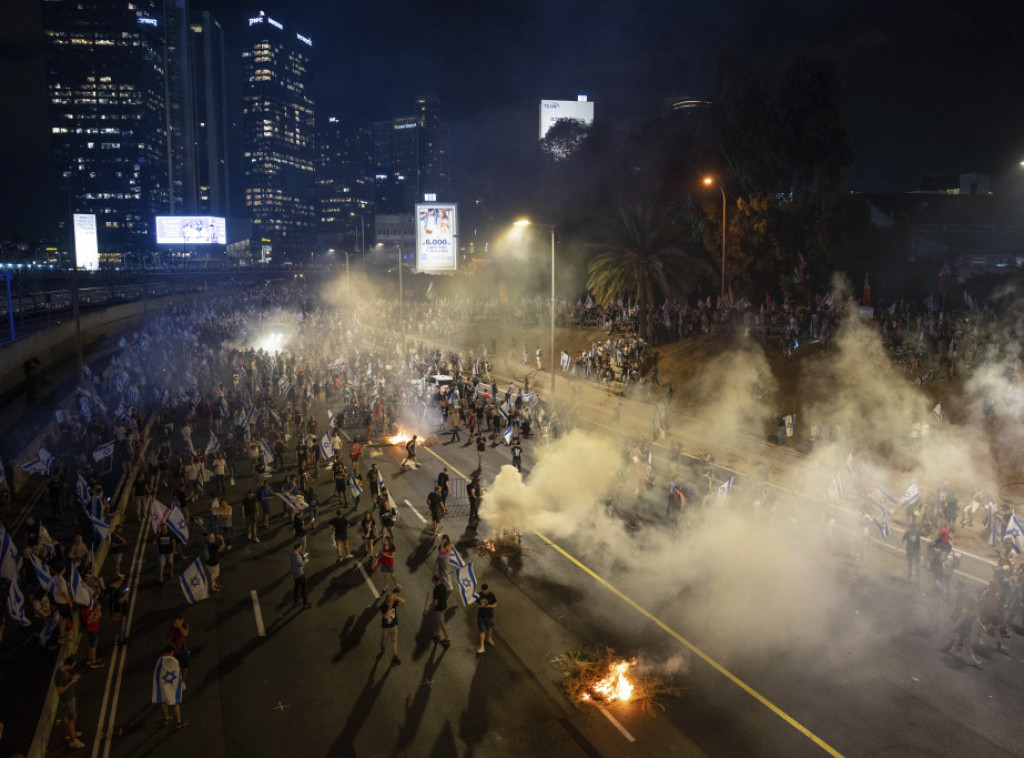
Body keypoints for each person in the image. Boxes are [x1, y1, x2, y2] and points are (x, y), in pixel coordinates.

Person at [153, 645, 187, 728]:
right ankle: (179, 722)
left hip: (162, 684)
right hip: (172, 685)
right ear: (172, 652)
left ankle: (166, 718)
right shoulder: (174, 661)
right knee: (176, 702)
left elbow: (157, 672)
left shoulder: (160, 660)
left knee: (163, 701)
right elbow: (177, 674)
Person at [55, 656, 85, 748]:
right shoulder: (59, 675)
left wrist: (72, 677)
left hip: (69, 698)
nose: (73, 667)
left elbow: (66, 679)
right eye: (72, 666)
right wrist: (71, 682)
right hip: (67, 700)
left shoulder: (63, 671)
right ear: (68, 664)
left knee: (68, 717)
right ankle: (73, 740)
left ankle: (69, 734)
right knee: (72, 719)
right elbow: (60, 691)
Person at [377, 588, 405, 666]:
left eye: (393, 601)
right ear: (387, 601)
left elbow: (403, 601)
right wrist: (390, 607)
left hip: (393, 626)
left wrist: (396, 597)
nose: (393, 602)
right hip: (385, 627)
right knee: (383, 640)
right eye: (391, 601)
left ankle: (395, 656)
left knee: (394, 640)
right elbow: (385, 616)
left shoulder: (394, 603)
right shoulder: (383, 606)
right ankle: (382, 646)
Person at [79, 601, 104, 669]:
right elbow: (95, 618)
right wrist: (98, 611)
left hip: (91, 629)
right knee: (93, 645)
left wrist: (96, 613)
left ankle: (90, 658)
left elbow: (96, 615)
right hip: (92, 629)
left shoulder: (87, 609)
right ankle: (94, 662)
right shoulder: (85, 612)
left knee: (90, 644)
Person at [168, 615, 190, 687]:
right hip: (174, 650)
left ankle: (183, 681)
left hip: (183, 650)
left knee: (184, 667)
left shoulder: (185, 625)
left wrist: (180, 626)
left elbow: (185, 633)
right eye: (175, 620)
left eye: (179, 621)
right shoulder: (171, 627)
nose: (176, 622)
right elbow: (169, 638)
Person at [475, 583, 498, 653]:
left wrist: (489, 606)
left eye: (484, 590)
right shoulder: (479, 595)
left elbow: (496, 604)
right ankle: (482, 646)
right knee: (482, 630)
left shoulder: (491, 595)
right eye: (482, 590)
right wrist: (479, 606)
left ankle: (489, 638)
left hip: (489, 615)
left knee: (490, 628)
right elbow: (475, 604)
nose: (483, 592)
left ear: (487, 589)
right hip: (481, 616)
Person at [430, 574, 451, 647]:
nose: (432, 581)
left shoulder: (436, 590)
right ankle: (437, 634)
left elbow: (435, 602)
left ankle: (447, 638)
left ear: (436, 581)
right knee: (439, 620)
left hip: (439, 609)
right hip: (444, 607)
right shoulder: (443, 586)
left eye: (433, 580)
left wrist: (430, 606)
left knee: (442, 623)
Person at [290, 542, 312, 608]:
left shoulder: (292, 554)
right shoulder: (297, 556)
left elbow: (294, 562)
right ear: (298, 548)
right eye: (301, 548)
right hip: (300, 574)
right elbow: (301, 564)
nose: (301, 549)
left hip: (294, 573)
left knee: (296, 588)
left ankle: (295, 602)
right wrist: (306, 559)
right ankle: (305, 603)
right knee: (303, 588)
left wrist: (302, 556)